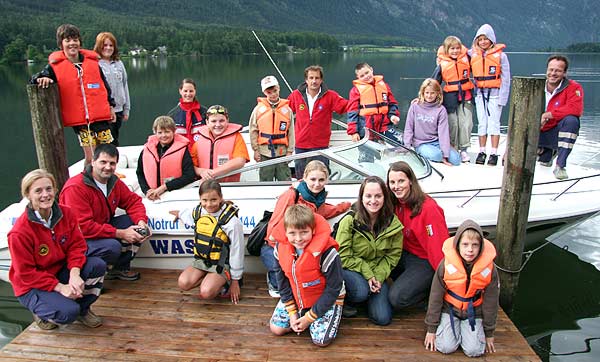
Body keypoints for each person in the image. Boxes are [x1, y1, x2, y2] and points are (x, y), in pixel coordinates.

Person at [8, 169, 106, 330]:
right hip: (31, 285)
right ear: (28, 195)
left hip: (58, 271)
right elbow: (26, 273)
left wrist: (74, 274)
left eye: (48, 188)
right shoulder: (19, 232)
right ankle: (42, 313)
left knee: (97, 265)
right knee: (68, 313)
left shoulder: (66, 213)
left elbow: (77, 245)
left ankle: (83, 309)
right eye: (38, 191)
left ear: (55, 190)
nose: (45, 195)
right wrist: (61, 288)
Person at [59, 144, 151, 281]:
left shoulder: (113, 182)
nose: (108, 167)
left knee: (136, 225)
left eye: (112, 163)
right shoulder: (75, 187)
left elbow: (133, 202)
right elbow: (83, 227)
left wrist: (141, 222)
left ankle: (118, 269)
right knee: (112, 247)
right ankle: (91, 275)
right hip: (77, 239)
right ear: (93, 161)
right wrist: (120, 233)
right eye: (103, 162)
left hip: (100, 228)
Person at [262, 160, 351, 297]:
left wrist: (345, 206)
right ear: (304, 178)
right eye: (313, 179)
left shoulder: (319, 199)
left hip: (303, 245)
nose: (317, 184)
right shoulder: (291, 195)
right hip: (280, 245)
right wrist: (283, 253)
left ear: (327, 180)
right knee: (283, 288)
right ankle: (274, 278)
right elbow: (273, 231)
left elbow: (326, 211)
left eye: (321, 180)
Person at [31, 24, 116, 166]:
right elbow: (35, 77)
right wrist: (41, 79)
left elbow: (104, 87)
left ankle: (109, 180)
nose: (72, 43)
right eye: (67, 40)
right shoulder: (54, 67)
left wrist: (111, 106)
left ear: (80, 42)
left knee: (108, 153)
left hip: (101, 117)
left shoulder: (92, 63)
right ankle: (88, 183)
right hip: (81, 122)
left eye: (75, 39)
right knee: (91, 157)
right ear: (61, 44)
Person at [269, 204, 345, 346]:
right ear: (285, 232)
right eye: (292, 233)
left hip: (326, 298)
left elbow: (334, 289)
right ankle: (300, 317)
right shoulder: (279, 249)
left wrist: (309, 318)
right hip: (298, 296)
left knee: (321, 340)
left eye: (304, 232)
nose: (298, 238)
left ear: (313, 230)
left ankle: (315, 318)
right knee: (276, 329)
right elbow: (282, 283)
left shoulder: (328, 253)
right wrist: (292, 313)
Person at [424, 219, 499, 357]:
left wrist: (489, 333)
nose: (470, 250)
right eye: (465, 244)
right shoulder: (445, 265)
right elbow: (435, 297)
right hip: (450, 309)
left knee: (474, 351)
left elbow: (491, 302)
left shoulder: (490, 269)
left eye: (475, 245)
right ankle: (455, 333)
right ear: (458, 245)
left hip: (474, 311)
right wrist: (431, 329)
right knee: (446, 347)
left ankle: (466, 334)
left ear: (481, 247)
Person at [336, 176, 403, 325]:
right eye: (368, 196)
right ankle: (351, 300)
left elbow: (393, 256)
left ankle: (369, 296)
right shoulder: (350, 221)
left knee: (383, 318)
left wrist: (378, 277)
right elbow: (342, 256)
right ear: (361, 197)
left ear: (385, 197)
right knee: (360, 291)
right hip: (351, 269)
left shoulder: (393, 224)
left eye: (378, 196)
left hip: (378, 272)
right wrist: (367, 273)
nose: (373, 201)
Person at [386, 161, 450, 310]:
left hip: (424, 260)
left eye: (401, 181)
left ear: (410, 181)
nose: (396, 186)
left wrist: (446, 283)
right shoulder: (395, 202)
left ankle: (431, 297)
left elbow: (438, 249)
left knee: (396, 298)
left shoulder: (428, 209)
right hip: (404, 254)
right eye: (392, 182)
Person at [172, 180, 244, 304]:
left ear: (221, 198)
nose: (209, 205)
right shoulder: (199, 212)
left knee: (206, 292)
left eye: (214, 200)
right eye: (204, 200)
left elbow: (237, 251)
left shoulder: (232, 222)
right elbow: (186, 215)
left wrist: (236, 281)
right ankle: (209, 278)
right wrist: (178, 214)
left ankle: (225, 282)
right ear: (200, 199)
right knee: (183, 283)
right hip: (203, 260)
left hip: (222, 264)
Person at [288, 65, 348, 178]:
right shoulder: (296, 95)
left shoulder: (330, 96)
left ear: (321, 80)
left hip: (321, 146)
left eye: (317, 78)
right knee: (301, 177)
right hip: (301, 144)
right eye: (311, 78)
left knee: (322, 177)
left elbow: (346, 107)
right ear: (306, 80)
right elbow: (284, 112)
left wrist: (362, 101)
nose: (314, 81)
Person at [469, 24, 511, 166]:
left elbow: (506, 78)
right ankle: (482, 152)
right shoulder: (473, 54)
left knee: (494, 124)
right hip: (479, 94)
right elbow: (455, 52)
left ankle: (493, 153)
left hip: (495, 95)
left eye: (485, 39)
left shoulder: (501, 56)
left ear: (491, 39)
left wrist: (503, 99)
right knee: (482, 124)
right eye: (480, 39)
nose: (483, 42)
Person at [538, 55, 584, 180]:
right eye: (551, 69)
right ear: (546, 70)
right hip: (538, 130)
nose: (553, 73)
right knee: (543, 160)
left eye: (558, 70)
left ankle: (560, 165)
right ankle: (546, 152)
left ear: (564, 73)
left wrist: (548, 115)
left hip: (555, 130)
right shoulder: (536, 86)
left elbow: (576, 109)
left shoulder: (573, 87)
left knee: (571, 121)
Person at [433, 36, 475, 163]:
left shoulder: (467, 59)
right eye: (452, 49)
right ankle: (453, 147)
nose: (455, 51)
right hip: (450, 96)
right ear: (446, 50)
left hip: (466, 94)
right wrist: (423, 98)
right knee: (453, 123)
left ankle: (464, 149)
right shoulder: (441, 65)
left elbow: (478, 68)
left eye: (457, 48)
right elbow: (434, 82)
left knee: (466, 122)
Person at [136, 115, 196, 200]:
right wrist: (147, 190)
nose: (163, 135)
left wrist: (165, 187)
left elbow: (189, 175)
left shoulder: (183, 150)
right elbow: (140, 173)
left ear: (174, 131)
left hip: (174, 195)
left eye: (167, 132)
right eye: (160, 132)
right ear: (155, 132)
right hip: (152, 196)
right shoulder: (146, 150)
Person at [403, 79, 461, 166]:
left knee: (456, 160)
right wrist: (407, 146)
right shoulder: (415, 106)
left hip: (436, 142)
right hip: (420, 143)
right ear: (423, 93)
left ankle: (441, 154)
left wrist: (445, 154)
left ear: (437, 93)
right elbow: (409, 128)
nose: (429, 96)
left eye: (432, 93)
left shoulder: (441, 110)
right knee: (437, 155)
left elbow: (443, 133)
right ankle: (426, 153)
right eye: (427, 93)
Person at [248, 75, 295, 181]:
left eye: (275, 90)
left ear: (278, 88)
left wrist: (290, 151)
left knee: (285, 181)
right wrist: (256, 150)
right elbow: (253, 130)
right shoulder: (258, 110)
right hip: (265, 153)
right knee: (265, 181)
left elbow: (291, 131)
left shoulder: (287, 110)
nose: (273, 94)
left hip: (282, 153)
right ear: (264, 93)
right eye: (269, 92)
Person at [190, 104, 250, 183]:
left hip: (229, 186)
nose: (217, 125)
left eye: (221, 121)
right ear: (207, 122)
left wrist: (212, 174)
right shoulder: (200, 139)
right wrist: (201, 171)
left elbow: (240, 161)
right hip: (205, 187)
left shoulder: (236, 137)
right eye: (213, 121)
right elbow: (190, 165)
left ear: (227, 121)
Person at [347, 63, 402, 145]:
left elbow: (392, 104)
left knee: (401, 143)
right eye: (362, 76)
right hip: (366, 129)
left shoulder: (384, 86)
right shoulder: (355, 91)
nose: (366, 76)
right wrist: (354, 132)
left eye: (367, 73)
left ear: (371, 70)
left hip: (384, 126)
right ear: (358, 77)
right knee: (366, 156)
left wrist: (392, 115)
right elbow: (352, 112)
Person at [94, 32, 130, 146]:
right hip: (104, 112)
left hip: (119, 110)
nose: (108, 48)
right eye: (105, 45)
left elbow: (124, 85)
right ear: (99, 46)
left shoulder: (119, 63)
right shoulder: (95, 64)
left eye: (111, 45)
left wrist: (127, 109)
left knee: (115, 140)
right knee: (107, 144)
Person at [168, 78, 208, 146]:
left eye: (191, 91)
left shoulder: (205, 112)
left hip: (201, 152)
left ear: (195, 91)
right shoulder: (172, 115)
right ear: (180, 91)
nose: (188, 94)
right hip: (181, 153)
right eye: (185, 91)